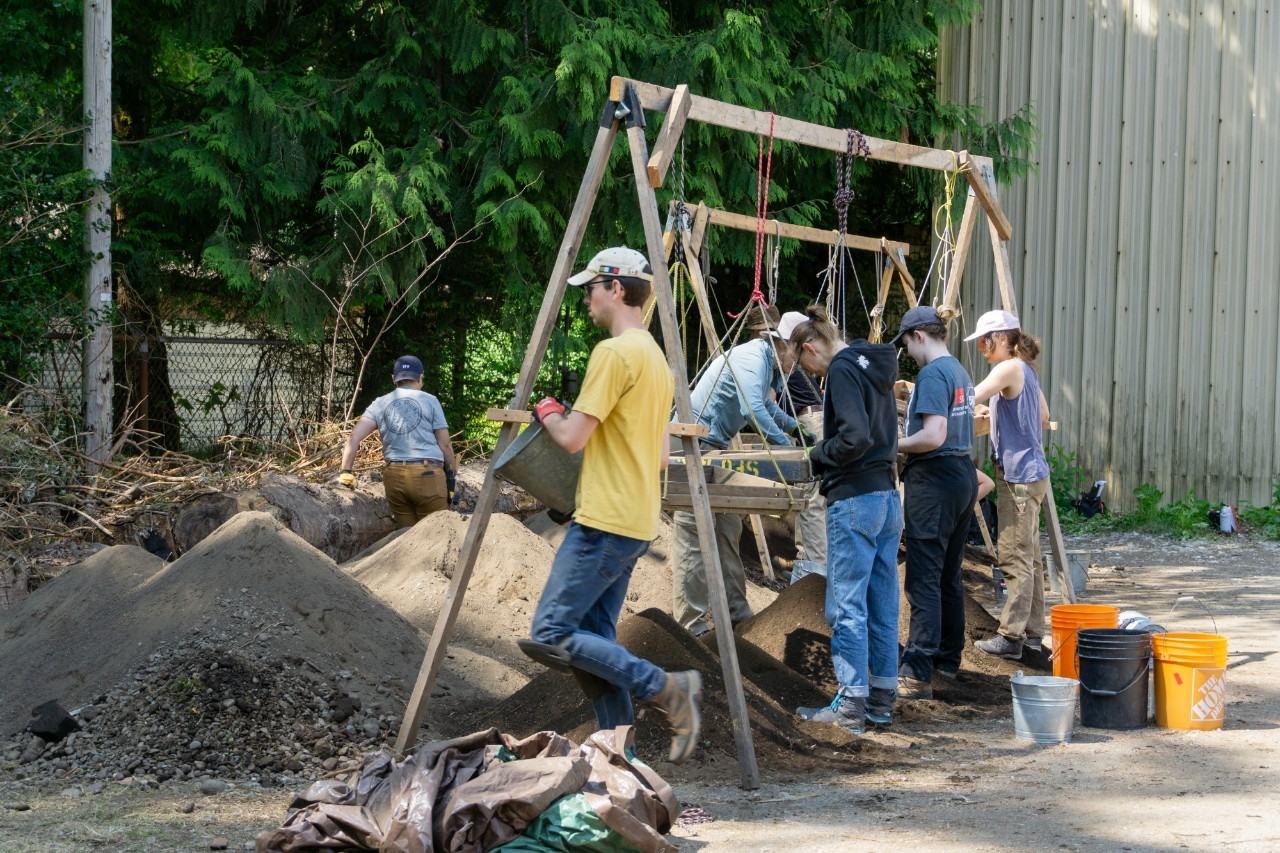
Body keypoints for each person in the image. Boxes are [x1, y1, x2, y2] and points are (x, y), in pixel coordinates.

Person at [524, 246, 702, 764]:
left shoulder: (614, 354)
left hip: (603, 520)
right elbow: (662, 453)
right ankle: (619, 759)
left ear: (617, 288)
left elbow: (573, 438)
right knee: (594, 641)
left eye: (591, 289)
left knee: (552, 632)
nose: (586, 300)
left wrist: (547, 410)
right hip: (638, 519)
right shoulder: (657, 361)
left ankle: (669, 688)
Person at [790, 305, 903, 732]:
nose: (813, 374)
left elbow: (854, 437)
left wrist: (818, 455)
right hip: (887, 498)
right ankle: (880, 700)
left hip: (854, 497)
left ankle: (850, 705)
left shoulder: (840, 369)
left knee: (847, 605)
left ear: (811, 345)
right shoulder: (872, 363)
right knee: (882, 602)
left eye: (806, 364)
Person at [671, 307, 806, 636]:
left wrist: (795, 428)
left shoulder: (768, 365)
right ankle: (690, 625)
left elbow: (768, 404)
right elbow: (752, 408)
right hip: (688, 441)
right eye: (798, 358)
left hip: (712, 447)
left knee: (728, 526)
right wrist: (784, 446)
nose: (797, 367)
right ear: (784, 345)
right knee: (693, 530)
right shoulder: (752, 358)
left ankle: (735, 613)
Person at [892, 306, 979, 700]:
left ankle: (915, 673)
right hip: (962, 475)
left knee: (923, 577)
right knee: (948, 575)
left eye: (907, 344)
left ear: (919, 336)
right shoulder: (960, 370)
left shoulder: (930, 375)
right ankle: (948, 659)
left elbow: (933, 435)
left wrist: (892, 444)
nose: (908, 352)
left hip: (935, 478)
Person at [965, 309, 1051, 660]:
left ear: (1001, 339)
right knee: (1030, 559)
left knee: (1014, 556)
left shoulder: (1007, 368)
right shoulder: (1025, 370)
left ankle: (1011, 637)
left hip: (1017, 476)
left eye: (985, 343)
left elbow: (969, 397)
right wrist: (999, 411)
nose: (982, 350)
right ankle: (1032, 634)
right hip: (1033, 475)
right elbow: (1042, 415)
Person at [339, 355, 457, 528]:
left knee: (407, 539)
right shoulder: (430, 401)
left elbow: (354, 437)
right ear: (420, 376)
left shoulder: (379, 403)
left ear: (394, 378)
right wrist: (451, 477)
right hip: (427, 475)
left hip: (394, 477)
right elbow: (445, 444)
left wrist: (346, 471)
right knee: (438, 534)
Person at [777, 310, 827, 583]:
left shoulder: (792, 362)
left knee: (812, 499)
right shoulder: (805, 367)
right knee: (812, 496)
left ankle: (813, 575)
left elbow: (770, 401)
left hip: (810, 422)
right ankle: (806, 562)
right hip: (815, 420)